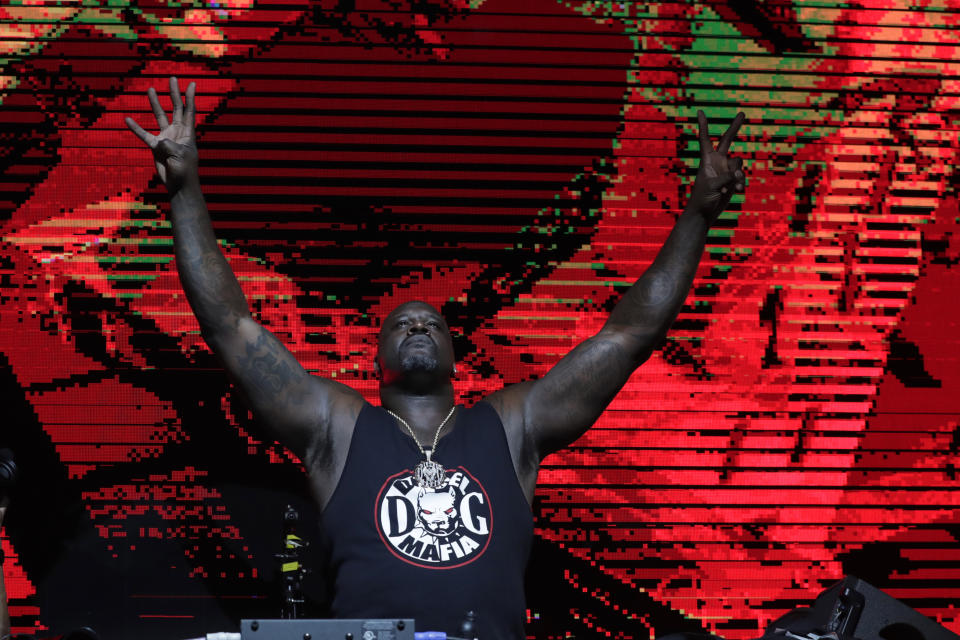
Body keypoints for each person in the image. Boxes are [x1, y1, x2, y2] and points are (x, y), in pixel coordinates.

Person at [125, 77, 746, 638]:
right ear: (376, 361)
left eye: (432, 323)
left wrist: (697, 214)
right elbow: (232, 328)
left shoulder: (511, 424)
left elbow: (628, 335)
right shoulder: (339, 426)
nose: (418, 325)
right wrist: (185, 192)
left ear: (456, 358)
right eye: (402, 323)